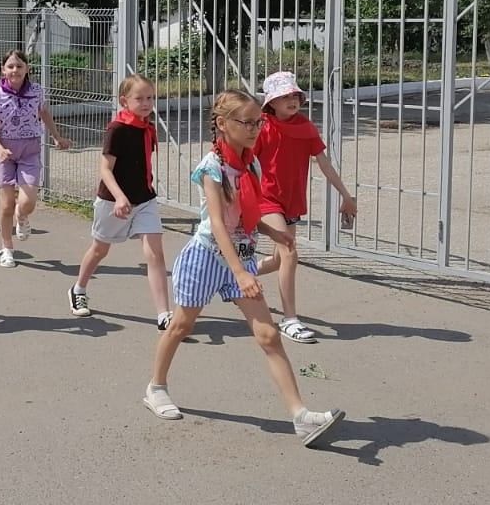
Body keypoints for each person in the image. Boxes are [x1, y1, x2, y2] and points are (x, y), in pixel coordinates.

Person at [141, 89, 344, 448]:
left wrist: (274, 233)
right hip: (207, 256)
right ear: (223, 124)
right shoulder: (212, 167)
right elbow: (218, 224)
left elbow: (244, 218)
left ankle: (301, 416)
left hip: (242, 254)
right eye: (247, 122)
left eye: (257, 122)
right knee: (181, 325)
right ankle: (156, 387)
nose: (254, 129)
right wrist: (239, 272)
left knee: (269, 336)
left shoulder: (250, 162)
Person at [255, 72, 358, 343]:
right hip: (266, 198)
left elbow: (324, 164)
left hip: (291, 199)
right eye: (284, 96)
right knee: (289, 252)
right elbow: (244, 162)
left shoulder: (306, 127)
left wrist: (346, 196)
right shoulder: (262, 126)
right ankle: (290, 319)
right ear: (271, 103)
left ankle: (237, 274)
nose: (291, 100)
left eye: (294, 96)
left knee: (280, 259)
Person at [68, 74, 172, 328]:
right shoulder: (117, 129)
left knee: (155, 254)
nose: (147, 103)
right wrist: (119, 197)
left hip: (145, 199)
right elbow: (105, 169)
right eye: (140, 98)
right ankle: (78, 289)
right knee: (100, 249)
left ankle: (164, 315)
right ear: (124, 101)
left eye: (150, 97)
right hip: (113, 201)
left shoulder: (147, 127)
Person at [0, 49, 70, 267]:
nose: (15, 70)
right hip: (5, 152)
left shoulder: (37, 91)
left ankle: (21, 217)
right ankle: (7, 248)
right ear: (3, 70)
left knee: (28, 201)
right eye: (10, 66)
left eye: (19, 66)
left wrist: (57, 137)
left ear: (27, 69)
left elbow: (44, 114)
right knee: (5, 206)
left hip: (30, 150)